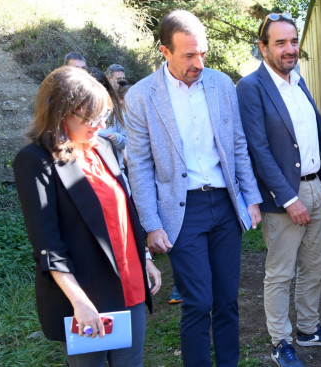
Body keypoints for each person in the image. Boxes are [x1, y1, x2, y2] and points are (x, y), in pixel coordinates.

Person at [124, 9, 262, 367]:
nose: (198, 62)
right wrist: (151, 224)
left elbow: (237, 144)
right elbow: (138, 164)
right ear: (164, 51)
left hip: (225, 204)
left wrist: (251, 199)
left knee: (228, 300)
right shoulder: (141, 97)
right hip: (180, 210)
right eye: (188, 55)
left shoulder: (220, 84)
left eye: (202, 53)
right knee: (199, 302)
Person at [12, 66, 161, 366]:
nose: (99, 125)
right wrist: (79, 302)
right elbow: (47, 245)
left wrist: (144, 257)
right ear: (60, 112)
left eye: (103, 116)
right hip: (86, 296)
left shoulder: (104, 147)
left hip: (129, 283)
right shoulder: (35, 161)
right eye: (90, 118)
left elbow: (126, 211)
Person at [236, 13, 321, 367]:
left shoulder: (298, 81)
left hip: (317, 189)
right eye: (280, 42)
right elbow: (258, 148)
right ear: (263, 47)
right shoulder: (251, 88)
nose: (289, 49)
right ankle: (280, 341)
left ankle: (308, 328)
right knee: (281, 272)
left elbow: (316, 136)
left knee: (316, 266)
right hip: (285, 197)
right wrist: (288, 198)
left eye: (293, 41)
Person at [89, 67, 127, 173]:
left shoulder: (115, 110)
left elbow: (127, 140)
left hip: (115, 169)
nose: (101, 125)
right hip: (91, 171)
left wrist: (118, 138)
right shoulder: (78, 114)